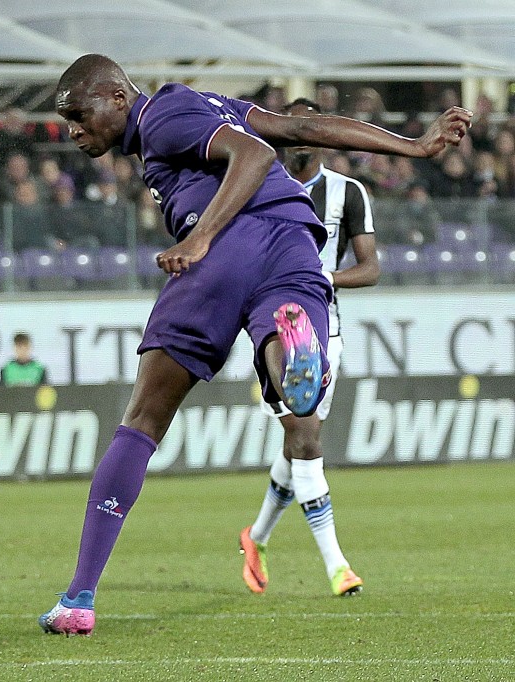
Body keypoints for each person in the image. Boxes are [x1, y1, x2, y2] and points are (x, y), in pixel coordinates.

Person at [38, 54, 470, 636]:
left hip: (224, 248)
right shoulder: (208, 106)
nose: (73, 130)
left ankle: (79, 599)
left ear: (118, 97)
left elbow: (256, 155)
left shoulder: (162, 114)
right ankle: (291, 357)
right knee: (287, 374)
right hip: (295, 242)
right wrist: (412, 146)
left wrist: (201, 237)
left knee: (141, 423)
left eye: (78, 114)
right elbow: (301, 128)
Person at [239, 98, 381, 600]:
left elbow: (371, 268)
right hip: (277, 330)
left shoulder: (348, 192)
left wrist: (325, 278)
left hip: (327, 332)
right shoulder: (254, 182)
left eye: (309, 127)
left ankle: (255, 538)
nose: (299, 136)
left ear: (322, 135)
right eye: (291, 128)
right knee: (305, 441)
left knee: (300, 442)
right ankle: (338, 566)